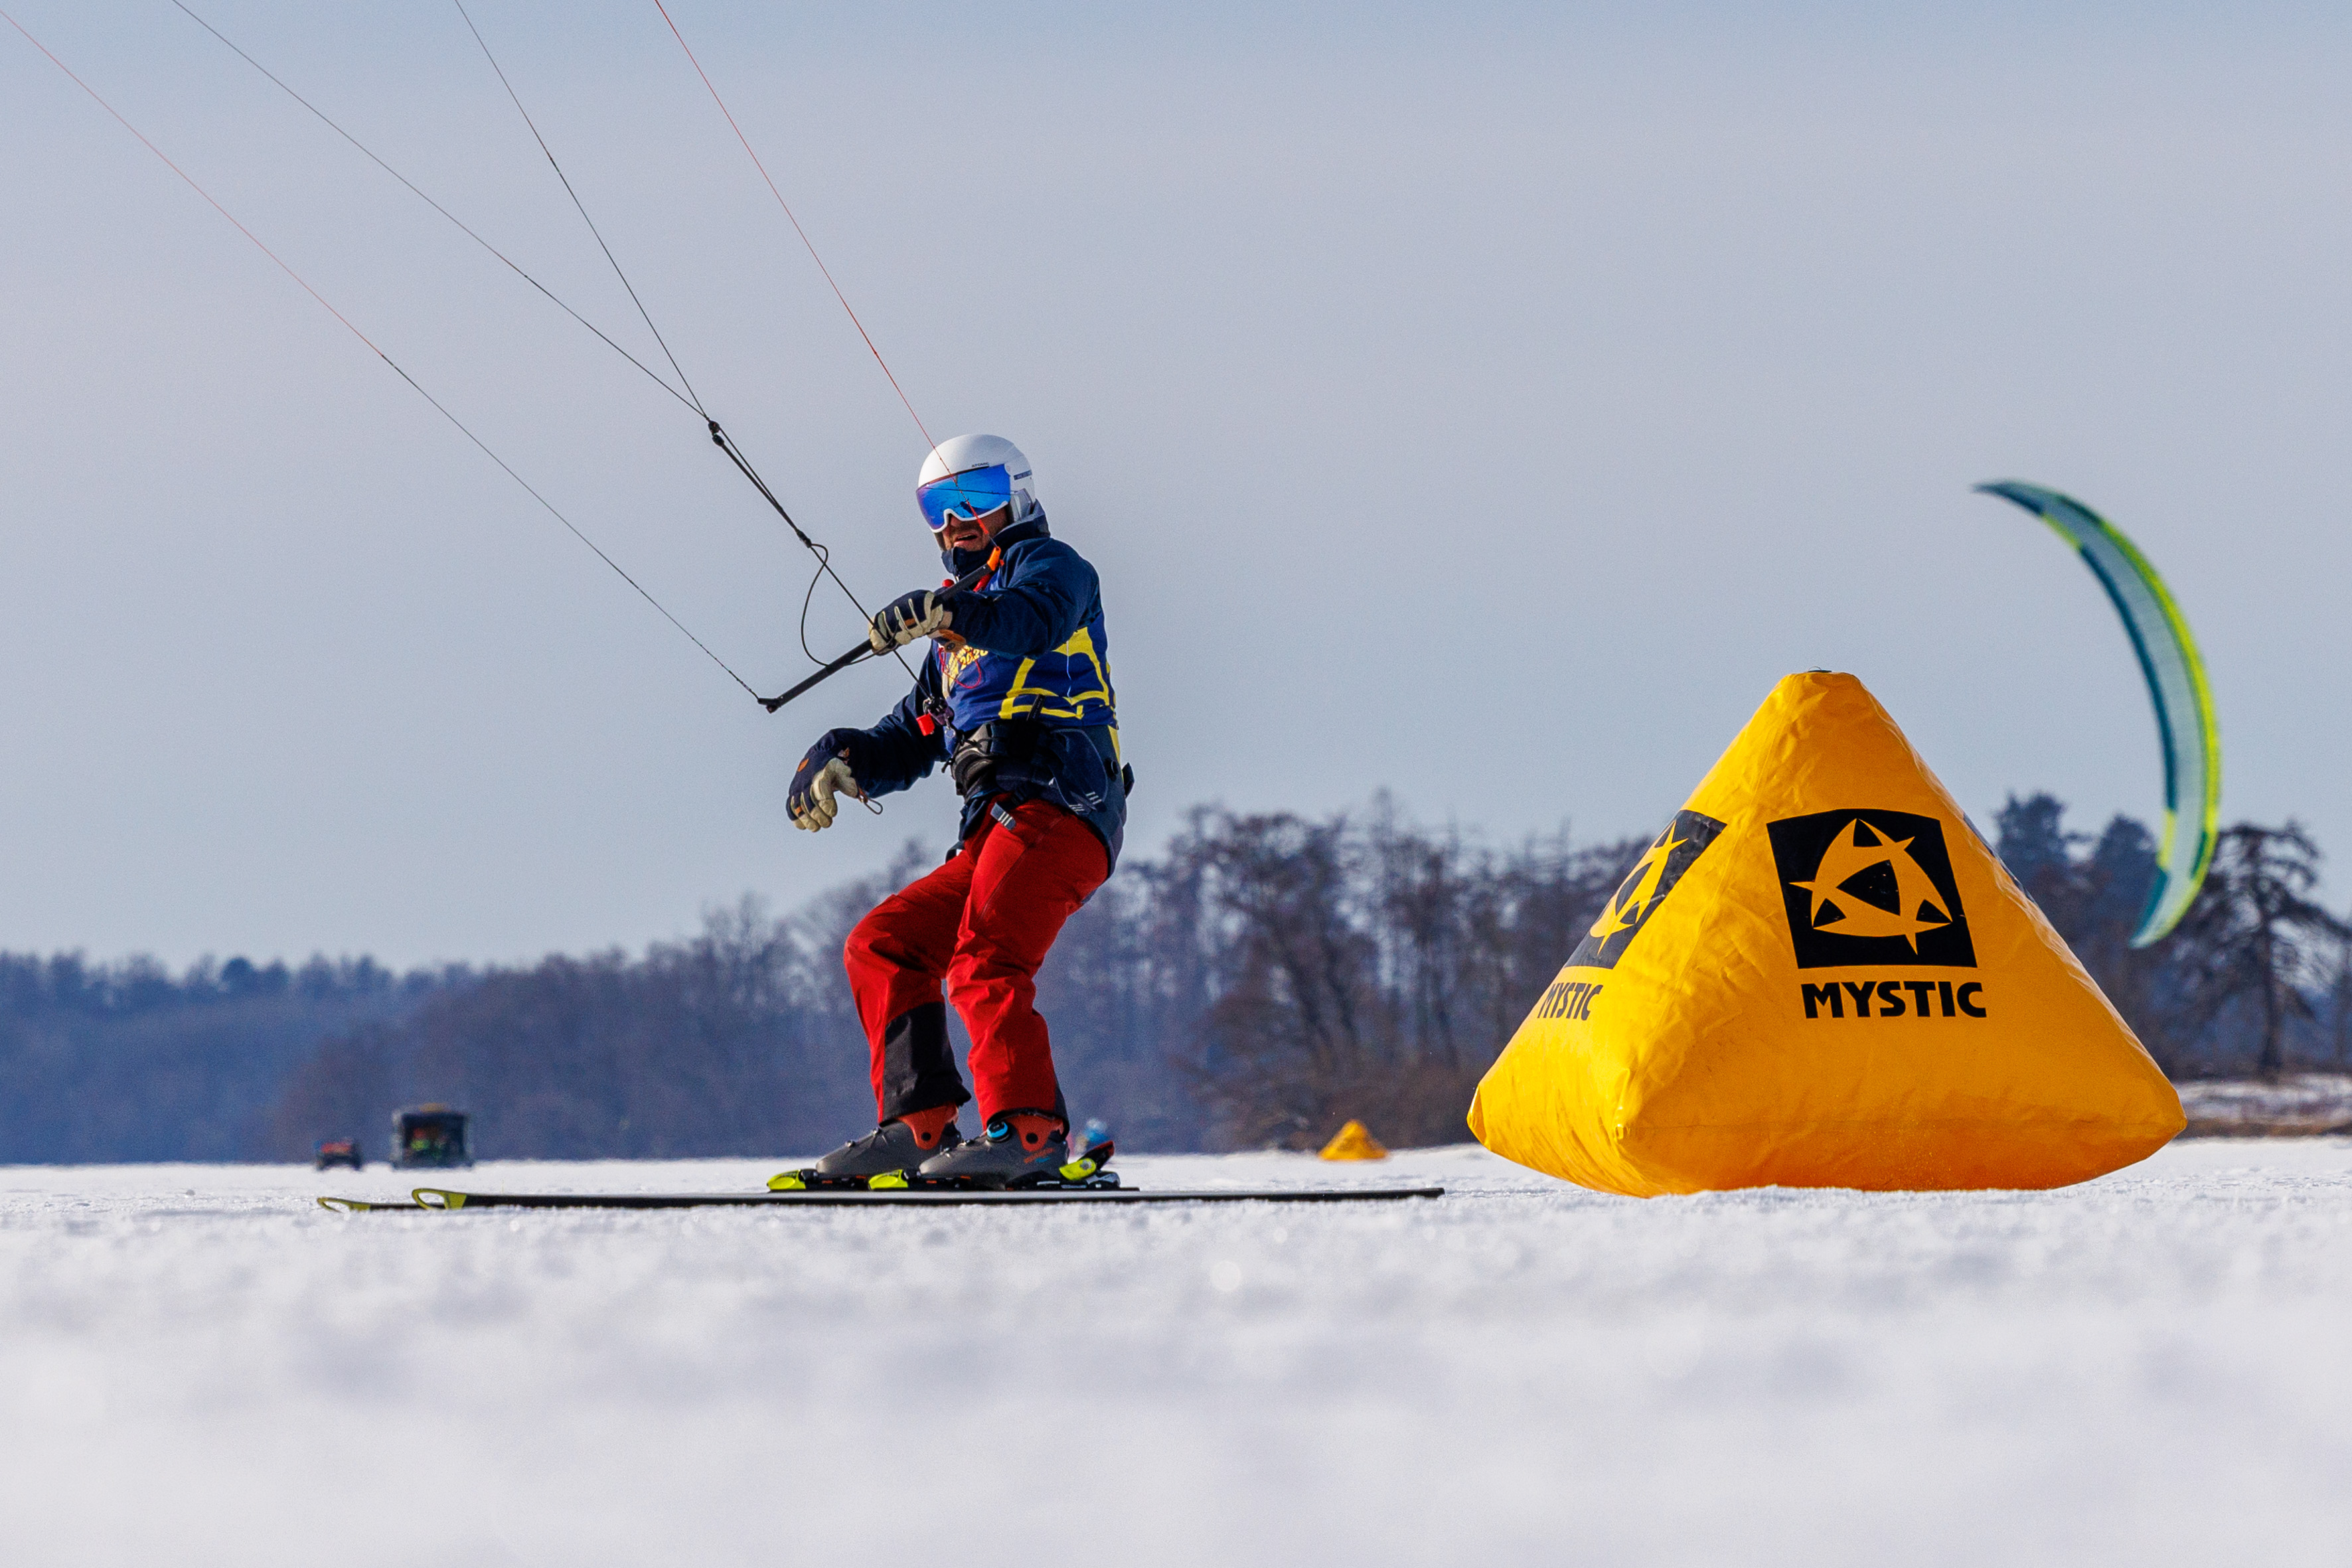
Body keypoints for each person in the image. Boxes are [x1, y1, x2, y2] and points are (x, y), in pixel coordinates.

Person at [788, 434, 1127, 1184]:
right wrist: (842, 757)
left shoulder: (1053, 570)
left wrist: (947, 611)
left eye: (975, 498)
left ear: (1020, 496)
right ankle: (918, 1125)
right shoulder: (951, 642)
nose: (955, 522)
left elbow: (1031, 621)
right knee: (884, 943)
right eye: (937, 507)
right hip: (996, 828)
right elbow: (910, 735)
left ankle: (1029, 1133)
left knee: (984, 957)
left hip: (1062, 805)